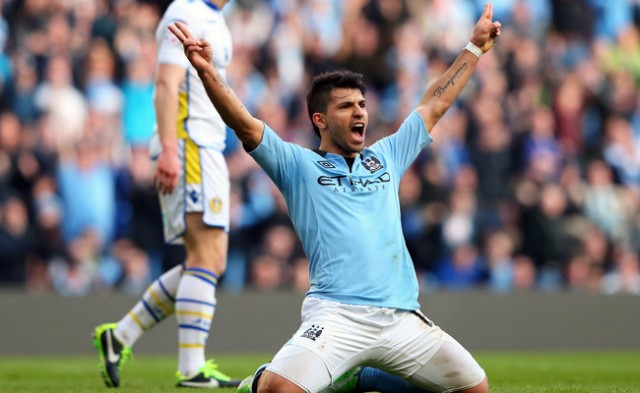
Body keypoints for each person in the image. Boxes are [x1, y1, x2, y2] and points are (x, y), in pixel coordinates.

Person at [169, 2, 501, 392]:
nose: (359, 111)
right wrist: (208, 72)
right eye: (346, 106)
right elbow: (244, 123)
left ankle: (361, 378)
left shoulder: (386, 156)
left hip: (401, 318)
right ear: (320, 120)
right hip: (338, 316)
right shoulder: (298, 165)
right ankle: (260, 380)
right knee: (278, 390)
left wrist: (474, 48)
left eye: (361, 104)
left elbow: (435, 104)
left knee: (474, 389)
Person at [92, 0, 241, 388]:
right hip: (190, 142)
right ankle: (191, 368)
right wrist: (171, 150)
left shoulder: (215, 18)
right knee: (205, 256)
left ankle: (120, 335)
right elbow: (165, 81)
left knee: (212, 259)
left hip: (207, 143)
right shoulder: (186, 11)